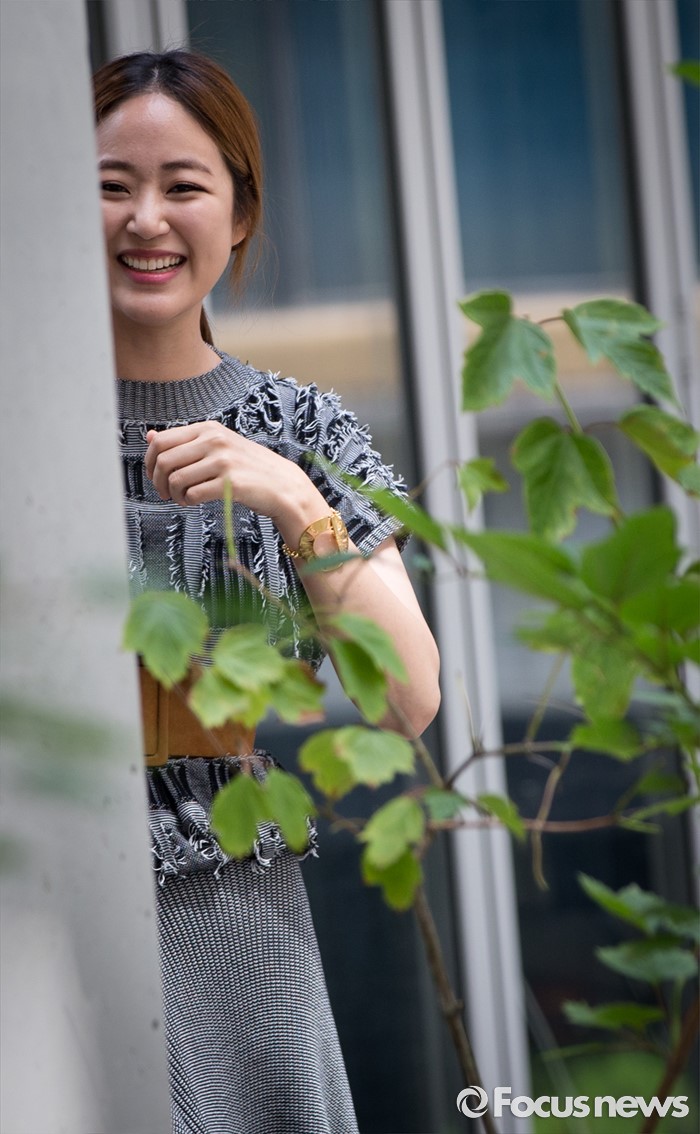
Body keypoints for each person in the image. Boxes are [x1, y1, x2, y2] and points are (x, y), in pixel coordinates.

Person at [94, 49, 440, 1134]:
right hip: (53, 899)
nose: (146, 219)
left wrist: (297, 503)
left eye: (183, 186)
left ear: (240, 214)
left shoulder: (301, 427)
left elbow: (406, 700)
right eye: (111, 186)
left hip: (239, 926)